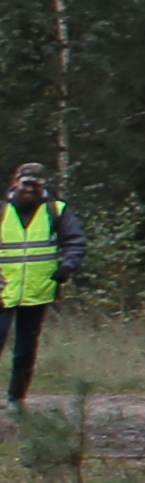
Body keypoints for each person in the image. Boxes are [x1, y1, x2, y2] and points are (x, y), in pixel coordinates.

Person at [1, 162, 77, 412]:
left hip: (39, 289)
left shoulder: (56, 210)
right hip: (3, 289)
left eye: (37, 184)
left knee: (26, 347)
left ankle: (16, 398)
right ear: (15, 183)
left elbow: (75, 242)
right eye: (27, 183)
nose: (31, 189)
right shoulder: (2, 211)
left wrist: (67, 266)